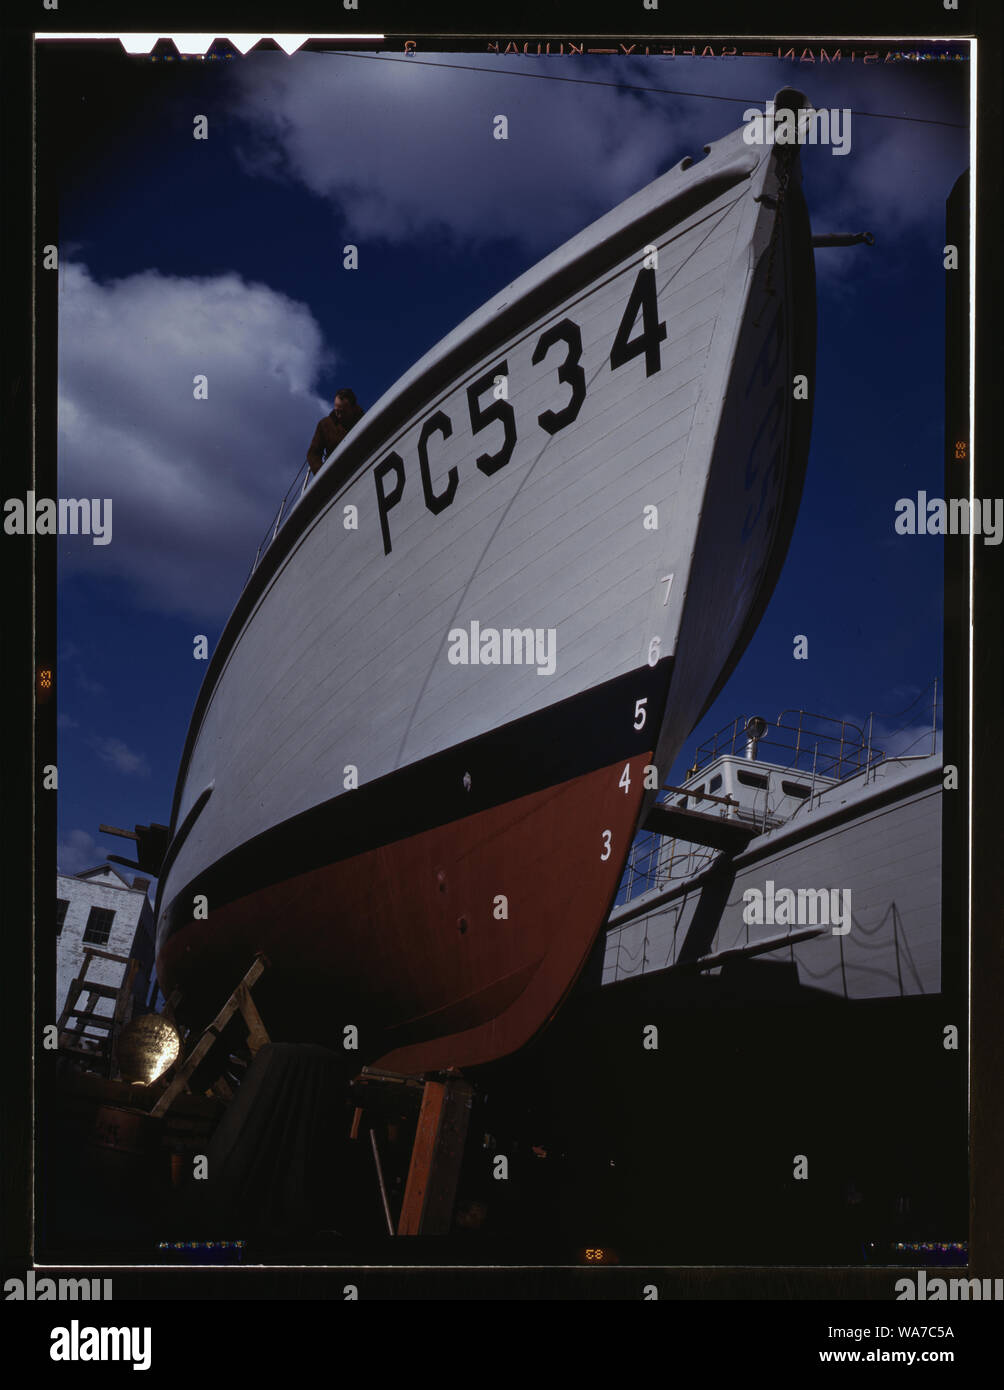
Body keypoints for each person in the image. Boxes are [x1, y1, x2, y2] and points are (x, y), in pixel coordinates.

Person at [306, 389, 364, 475]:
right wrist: (322, 474)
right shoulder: (325, 425)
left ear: (352, 408)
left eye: (342, 411)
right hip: (336, 474)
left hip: (360, 467)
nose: (337, 414)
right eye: (336, 409)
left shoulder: (364, 420)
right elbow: (313, 454)